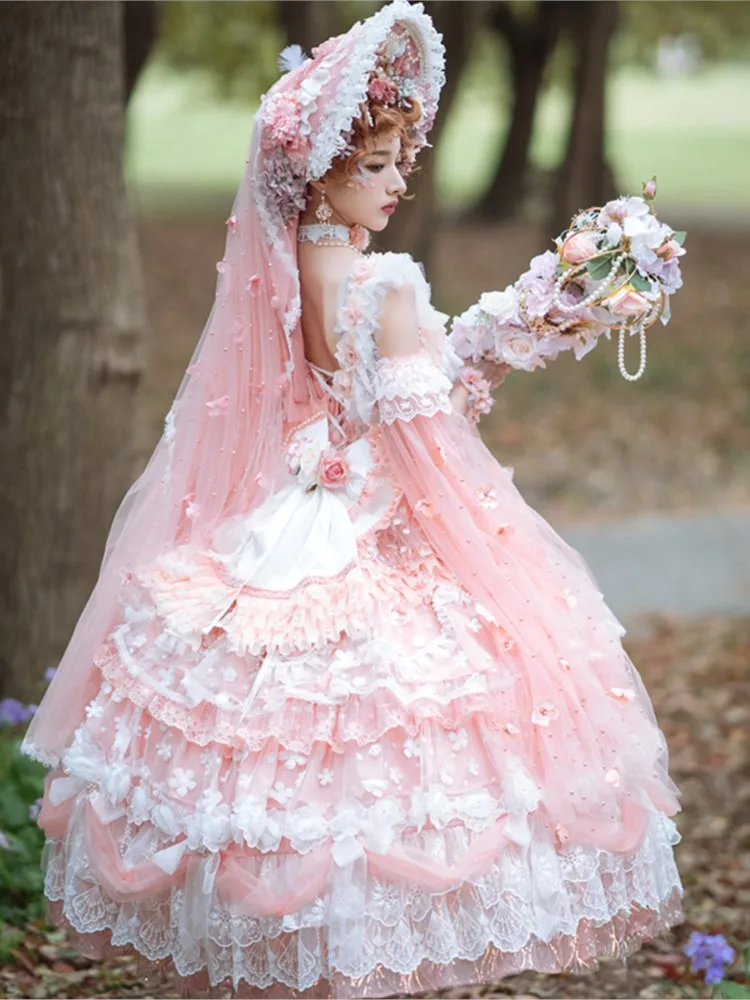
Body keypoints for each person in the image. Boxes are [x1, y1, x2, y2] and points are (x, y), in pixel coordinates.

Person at [22, 2, 684, 997]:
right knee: (388, 754)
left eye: (399, 158)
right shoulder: (369, 289)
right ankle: (348, 957)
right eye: (374, 163)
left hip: (311, 512)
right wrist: (495, 338)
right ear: (315, 175)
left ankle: (326, 953)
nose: (399, 177)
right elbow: (414, 416)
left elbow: (408, 375)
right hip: (351, 529)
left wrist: (541, 304)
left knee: (322, 767)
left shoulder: (324, 273)